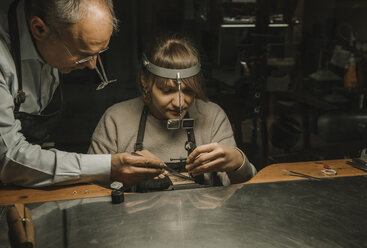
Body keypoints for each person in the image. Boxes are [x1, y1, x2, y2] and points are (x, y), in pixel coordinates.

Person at [0, 0, 165, 187]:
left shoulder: (55, 44)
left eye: (100, 52)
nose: (92, 65)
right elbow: (8, 157)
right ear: (39, 29)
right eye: (83, 54)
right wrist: (109, 167)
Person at [89, 34, 257, 192]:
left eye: (189, 91)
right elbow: (90, 188)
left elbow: (244, 190)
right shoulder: (116, 120)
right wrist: (122, 177)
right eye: (167, 90)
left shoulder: (212, 116)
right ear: (145, 81)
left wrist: (238, 163)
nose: (179, 103)